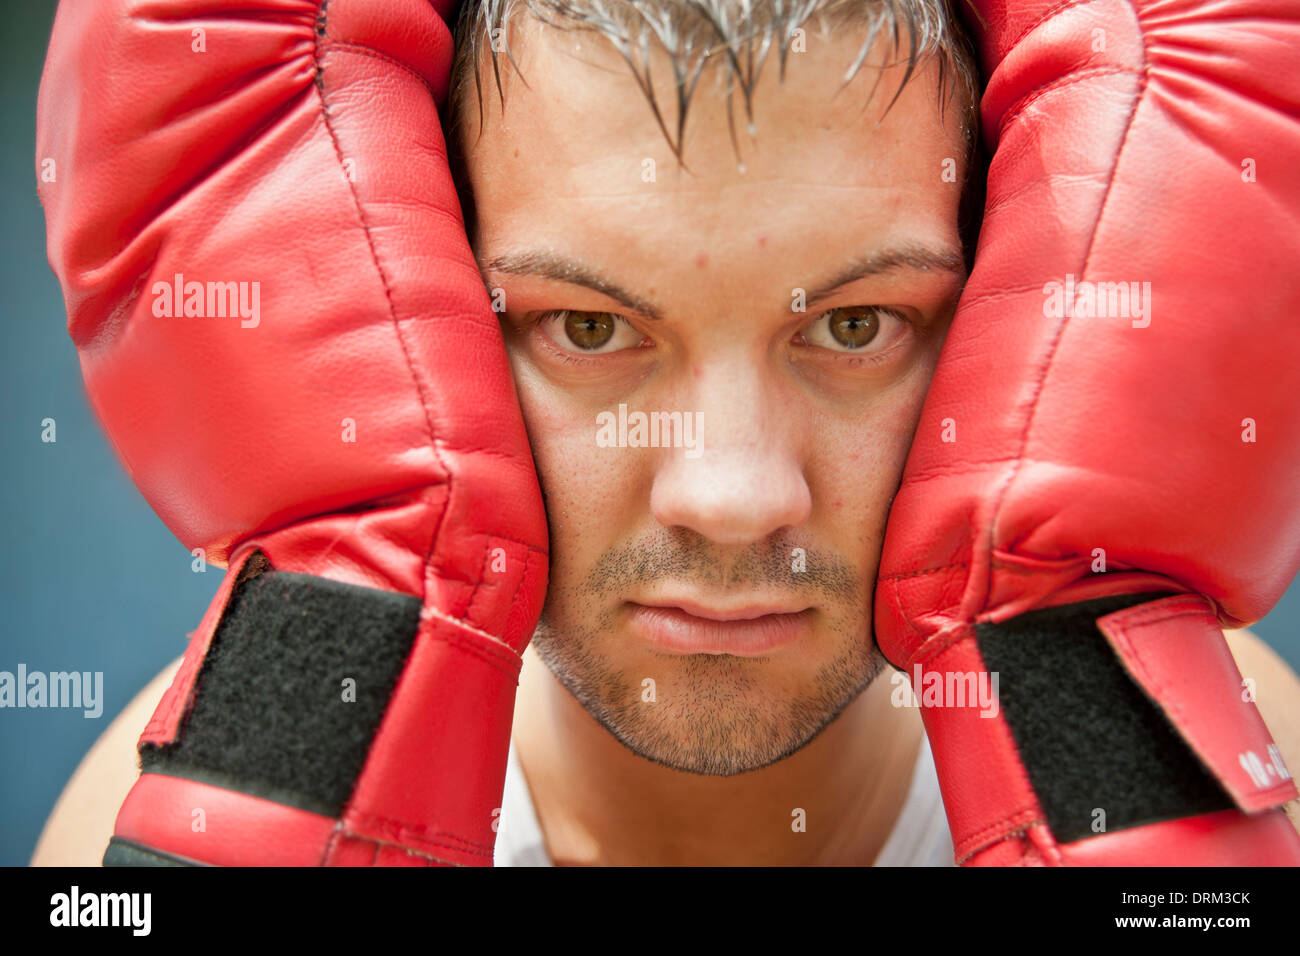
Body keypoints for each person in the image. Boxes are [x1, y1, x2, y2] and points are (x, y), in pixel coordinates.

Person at [32, 0, 1300, 866]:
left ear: (1008, 315)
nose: (735, 489)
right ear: (413, 319)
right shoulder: (178, 799)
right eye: (588, 329)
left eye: (857, 326)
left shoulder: (1242, 776)